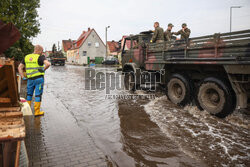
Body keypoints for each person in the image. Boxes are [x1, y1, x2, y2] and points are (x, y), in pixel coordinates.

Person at [18, 45, 51, 116]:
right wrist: (43, 69)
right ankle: (37, 112)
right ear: (39, 50)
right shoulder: (40, 57)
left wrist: (23, 76)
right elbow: (48, 64)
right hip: (39, 79)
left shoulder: (26, 57)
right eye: (41, 51)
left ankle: (28, 111)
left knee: (29, 94)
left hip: (30, 80)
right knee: (38, 95)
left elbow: (19, 67)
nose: (42, 53)